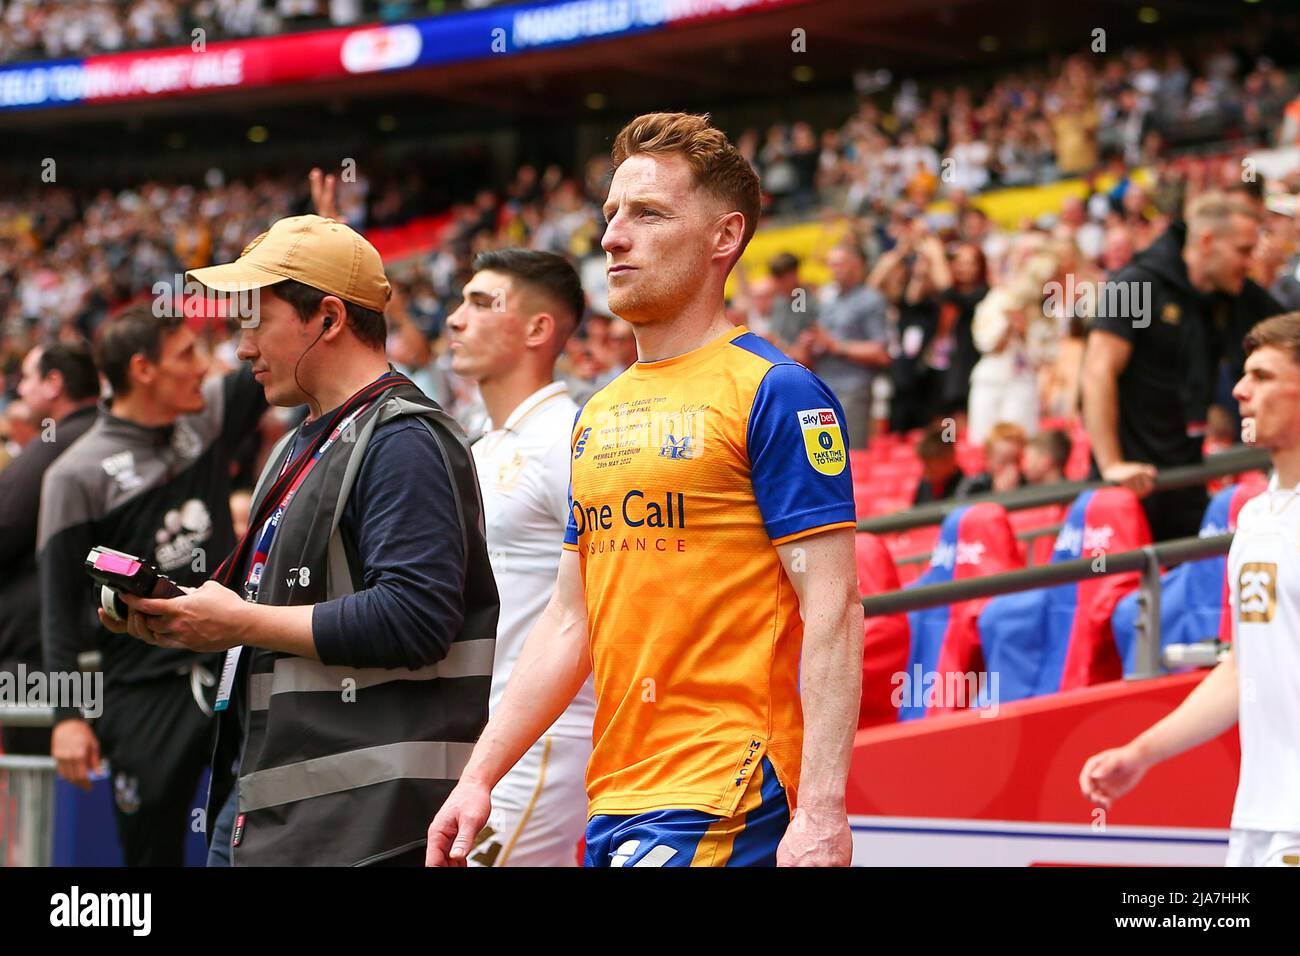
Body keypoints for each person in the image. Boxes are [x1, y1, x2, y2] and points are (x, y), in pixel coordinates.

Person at [427, 112, 864, 868]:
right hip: (618, 793)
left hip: (731, 786)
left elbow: (834, 605)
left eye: (648, 214)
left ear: (724, 237)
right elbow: (570, 623)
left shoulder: (778, 392)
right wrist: (479, 775)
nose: (612, 238)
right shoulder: (598, 410)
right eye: (610, 215)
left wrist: (823, 809)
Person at [103, 214, 498, 866]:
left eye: (256, 321)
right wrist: (180, 617)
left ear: (329, 319)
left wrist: (242, 622)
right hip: (280, 813)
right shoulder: (301, 441)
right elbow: (267, 610)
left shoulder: (402, 441)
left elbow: (416, 617)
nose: (241, 348)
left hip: (364, 828)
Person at [38, 306, 267, 866]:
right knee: (150, 858)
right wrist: (67, 716)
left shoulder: (204, 417)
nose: (204, 369)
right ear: (143, 369)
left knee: (245, 842)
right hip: (142, 691)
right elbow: (59, 607)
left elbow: (286, 352)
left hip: (229, 669)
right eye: (187, 355)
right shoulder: (74, 475)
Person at [1079, 312, 1300, 867]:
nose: (1240, 390)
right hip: (1260, 816)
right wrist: (1141, 753)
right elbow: (1241, 670)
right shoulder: (1253, 518)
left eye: (1263, 376)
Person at [443, 248, 597, 867]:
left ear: (539, 329)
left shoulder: (570, 437)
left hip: (544, 738)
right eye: (461, 301)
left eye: (483, 303)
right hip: (482, 737)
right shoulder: (482, 443)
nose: (456, 319)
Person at [1083, 191, 1283, 542]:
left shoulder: (1231, 292)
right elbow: (1098, 371)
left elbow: (1290, 332)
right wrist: (1111, 464)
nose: (1250, 261)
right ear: (1207, 241)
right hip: (1132, 483)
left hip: (1186, 477)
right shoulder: (1137, 284)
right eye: (1243, 251)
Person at [0, 343, 100, 756]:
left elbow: (4, 527)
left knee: (45, 804)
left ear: (54, 383)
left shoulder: (59, 438)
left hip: (41, 655)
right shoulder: (109, 432)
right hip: (89, 650)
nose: (20, 388)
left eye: (27, 377)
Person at [795, 241, 889, 449]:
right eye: (831, 264)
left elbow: (881, 352)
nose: (834, 270)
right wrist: (810, 343)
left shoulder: (870, 299)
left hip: (853, 388)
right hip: (822, 387)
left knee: (851, 455)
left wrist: (835, 345)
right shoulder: (827, 300)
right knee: (825, 456)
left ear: (857, 266)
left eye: (840, 264)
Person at [957, 422, 1027, 497]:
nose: (1012, 468)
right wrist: (997, 493)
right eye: (1003, 462)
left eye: (1017, 460)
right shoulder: (974, 486)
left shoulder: (1028, 481)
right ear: (988, 460)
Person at [912, 426, 965, 505]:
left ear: (948, 459)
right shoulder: (924, 487)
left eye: (930, 466)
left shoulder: (966, 488)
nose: (925, 471)